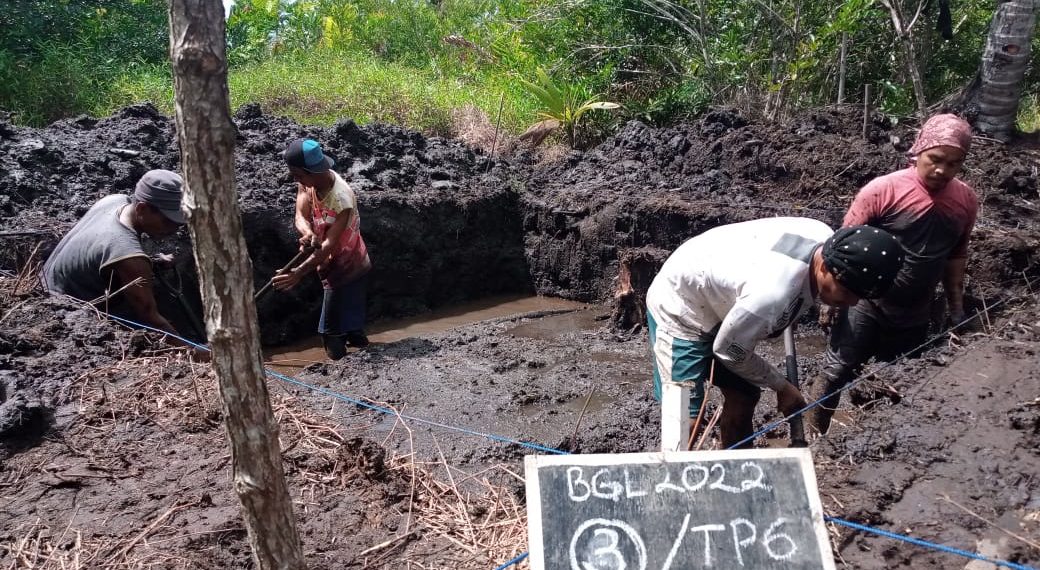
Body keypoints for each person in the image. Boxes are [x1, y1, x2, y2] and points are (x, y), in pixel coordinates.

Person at [646, 217, 905, 449]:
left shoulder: (822, 235)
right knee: (685, 420)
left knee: (745, 394)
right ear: (825, 266)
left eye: (858, 297)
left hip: (725, 294)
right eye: (847, 292)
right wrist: (782, 386)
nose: (850, 303)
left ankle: (736, 467)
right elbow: (730, 351)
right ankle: (670, 486)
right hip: (683, 305)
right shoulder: (772, 296)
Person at [809, 113, 978, 435]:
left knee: (894, 378)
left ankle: (869, 445)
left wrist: (956, 306)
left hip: (916, 309)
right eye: (935, 159)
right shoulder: (882, 191)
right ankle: (815, 441)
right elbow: (842, 247)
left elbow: (956, 255)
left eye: (954, 163)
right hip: (866, 302)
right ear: (919, 152)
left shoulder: (965, 201)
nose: (942, 170)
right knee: (836, 371)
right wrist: (831, 302)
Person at [42, 169, 190, 340]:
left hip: (44, 285)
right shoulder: (130, 258)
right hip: (63, 315)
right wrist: (192, 350)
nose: (174, 229)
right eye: (168, 221)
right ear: (142, 208)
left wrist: (152, 262)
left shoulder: (114, 201)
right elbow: (151, 318)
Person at [272, 138, 372, 359]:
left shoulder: (341, 198)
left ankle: (341, 374)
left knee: (330, 332)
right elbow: (300, 214)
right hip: (329, 263)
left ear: (313, 171)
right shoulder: (308, 182)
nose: (296, 180)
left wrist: (297, 273)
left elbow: (328, 246)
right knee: (352, 327)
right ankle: (363, 351)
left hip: (348, 265)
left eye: (298, 175)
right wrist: (307, 231)